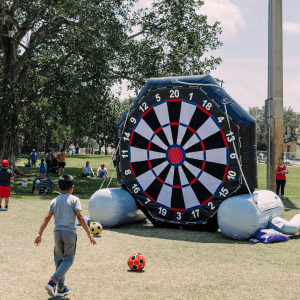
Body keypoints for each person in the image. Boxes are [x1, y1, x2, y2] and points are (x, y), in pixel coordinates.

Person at [34, 174, 96, 297]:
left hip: (57, 233)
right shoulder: (75, 199)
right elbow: (80, 216)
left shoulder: (54, 201)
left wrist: (39, 233)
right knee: (68, 259)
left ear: (58, 187)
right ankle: (52, 282)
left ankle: (62, 288)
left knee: (59, 259)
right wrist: (89, 233)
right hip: (69, 232)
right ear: (72, 187)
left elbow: (47, 217)